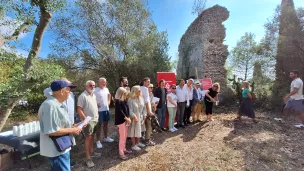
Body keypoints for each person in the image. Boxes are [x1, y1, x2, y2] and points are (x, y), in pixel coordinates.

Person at [39, 80, 81, 171]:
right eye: (68, 90)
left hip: (61, 147)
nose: (70, 93)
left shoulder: (56, 104)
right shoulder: (50, 105)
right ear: (62, 91)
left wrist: (74, 126)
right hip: (56, 151)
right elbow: (51, 131)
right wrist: (72, 130)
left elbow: (59, 124)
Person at [77, 80, 101, 168]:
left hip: (95, 119)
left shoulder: (93, 95)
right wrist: (85, 120)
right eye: (91, 85)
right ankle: (88, 158)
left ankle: (92, 152)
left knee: (92, 136)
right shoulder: (82, 96)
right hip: (89, 121)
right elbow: (79, 109)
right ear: (86, 86)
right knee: (88, 138)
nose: (93, 87)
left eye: (94, 85)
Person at [94, 77, 114, 150]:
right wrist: (95, 104)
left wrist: (109, 101)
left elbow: (109, 95)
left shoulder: (106, 89)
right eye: (103, 82)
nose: (104, 83)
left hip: (106, 109)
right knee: (99, 125)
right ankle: (98, 141)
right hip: (99, 111)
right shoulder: (95, 90)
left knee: (106, 124)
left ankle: (106, 137)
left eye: (105, 82)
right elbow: (91, 98)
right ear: (99, 83)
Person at [114, 87, 132, 160]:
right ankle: (121, 153)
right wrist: (126, 118)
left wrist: (128, 117)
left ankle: (124, 149)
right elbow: (120, 111)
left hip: (125, 121)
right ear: (121, 93)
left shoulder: (124, 100)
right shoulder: (118, 101)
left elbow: (126, 110)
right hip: (121, 121)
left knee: (125, 136)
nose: (125, 94)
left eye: (125, 92)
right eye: (124, 93)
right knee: (122, 137)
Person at [128, 85, 146, 151]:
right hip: (134, 119)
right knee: (133, 131)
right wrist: (133, 116)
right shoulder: (130, 100)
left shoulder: (141, 98)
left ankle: (138, 142)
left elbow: (144, 108)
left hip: (140, 117)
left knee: (139, 130)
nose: (140, 91)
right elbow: (129, 110)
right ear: (135, 91)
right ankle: (133, 145)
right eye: (139, 90)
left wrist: (144, 115)